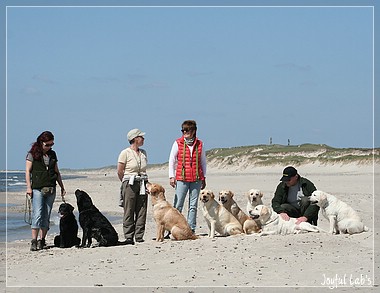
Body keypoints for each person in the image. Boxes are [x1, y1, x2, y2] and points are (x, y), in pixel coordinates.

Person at [25, 131, 66, 251]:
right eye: (47, 145)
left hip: (51, 188)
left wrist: (62, 187)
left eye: (51, 144)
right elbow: (27, 171)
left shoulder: (53, 154)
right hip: (37, 188)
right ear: (41, 143)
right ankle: (34, 241)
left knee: (46, 215)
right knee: (37, 214)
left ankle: (42, 240)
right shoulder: (32, 154)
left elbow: (57, 172)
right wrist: (28, 187)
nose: (49, 147)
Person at [168, 120, 207, 234]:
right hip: (181, 178)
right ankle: (173, 229)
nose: (185, 132)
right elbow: (172, 160)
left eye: (187, 130)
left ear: (193, 131)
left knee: (193, 205)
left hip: (196, 178)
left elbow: (203, 161)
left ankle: (191, 229)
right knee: (178, 204)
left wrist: (203, 177)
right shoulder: (178, 143)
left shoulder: (200, 144)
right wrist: (171, 176)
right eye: (183, 130)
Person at [117, 128, 148, 245]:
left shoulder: (143, 152)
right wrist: (125, 183)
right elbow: (120, 171)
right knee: (129, 209)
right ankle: (129, 236)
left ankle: (139, 235)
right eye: (141, 137)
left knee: (142, 209)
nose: (143, 139)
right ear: (135, 139)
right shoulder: (125, 153)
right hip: (129, 182)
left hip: (142, 182)